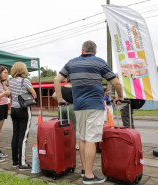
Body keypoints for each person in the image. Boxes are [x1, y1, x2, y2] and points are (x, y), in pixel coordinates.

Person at [54, 40, 123, 184]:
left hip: (79, 106)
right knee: (92, 139)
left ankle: (85, 169)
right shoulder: (99, 62)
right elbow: (116, 82)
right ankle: (89, 176)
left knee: (83, 137)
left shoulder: (71, 63)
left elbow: (57, 79)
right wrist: (120, 96)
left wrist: (60, 98)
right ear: (95, 52)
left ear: (82, 51)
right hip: (94, 106)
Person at [9, 62, 37, 170]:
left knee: (15, 135)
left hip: (13, 109)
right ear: (23, 70)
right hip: (23, 110)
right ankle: (22, 163)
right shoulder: (25, 81)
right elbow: (34, 94)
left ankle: (15, 161)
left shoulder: (11, 82)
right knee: (23, 137)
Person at [52, 77, 78, 150]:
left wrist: (60, 98)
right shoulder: (75, 88)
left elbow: (53, 96)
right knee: (73, 127)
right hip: (72, 107)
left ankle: (62, 143)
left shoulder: (61, 88)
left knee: (62, 126)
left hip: (62, 107)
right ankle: (73, 144)